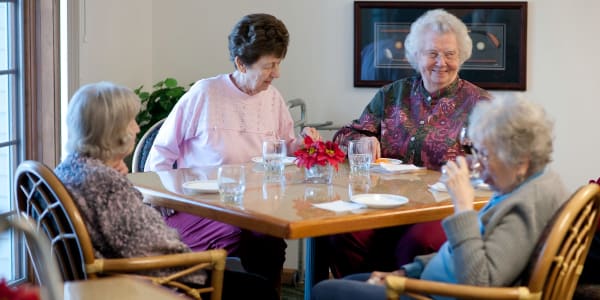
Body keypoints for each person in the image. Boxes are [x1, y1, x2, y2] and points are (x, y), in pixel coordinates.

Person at [312, 94, 569, 299]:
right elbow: (462, 253)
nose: (478, 165)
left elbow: (479, 281)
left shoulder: (527, 204)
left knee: (326, 290)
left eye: (485, 156)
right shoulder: (528, 183)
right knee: (350, 282)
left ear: (521, 161)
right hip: (427, 283)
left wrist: (464, 208)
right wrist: (407, 272)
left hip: (439, 294)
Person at [144, 13, 320, 291]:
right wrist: (164, 200)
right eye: (269, 65)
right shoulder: (205, 93)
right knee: (257, 239)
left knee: (268, 241)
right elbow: (161, 152)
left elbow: (286, 149)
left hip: (256, 206)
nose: (277, 74)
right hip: (204, 206)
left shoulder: (272, 98)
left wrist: (302, 144)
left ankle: (259, 293)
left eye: (278, 63)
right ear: (241, 63)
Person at [55, 81, 278, 300]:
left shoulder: (69, 171)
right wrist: (204, 260)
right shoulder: (107, 184)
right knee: (260, 290)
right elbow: (151, 248)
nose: (137, 127)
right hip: (154, 283)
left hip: (97, 281)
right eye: (131, 121)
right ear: (114, 133)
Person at [323, 9, 492, 279]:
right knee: (341, 235)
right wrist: (363, 140)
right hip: (385, 204)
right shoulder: (392, 95)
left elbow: (495, 165)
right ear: (415, 56)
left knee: (419, 243)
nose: (441, 62)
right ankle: (363, 293)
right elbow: (345, 136)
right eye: (432, 53)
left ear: (461, 56)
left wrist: (477, 164)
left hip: (442, 208)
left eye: (450, 54)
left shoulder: (481, 105)